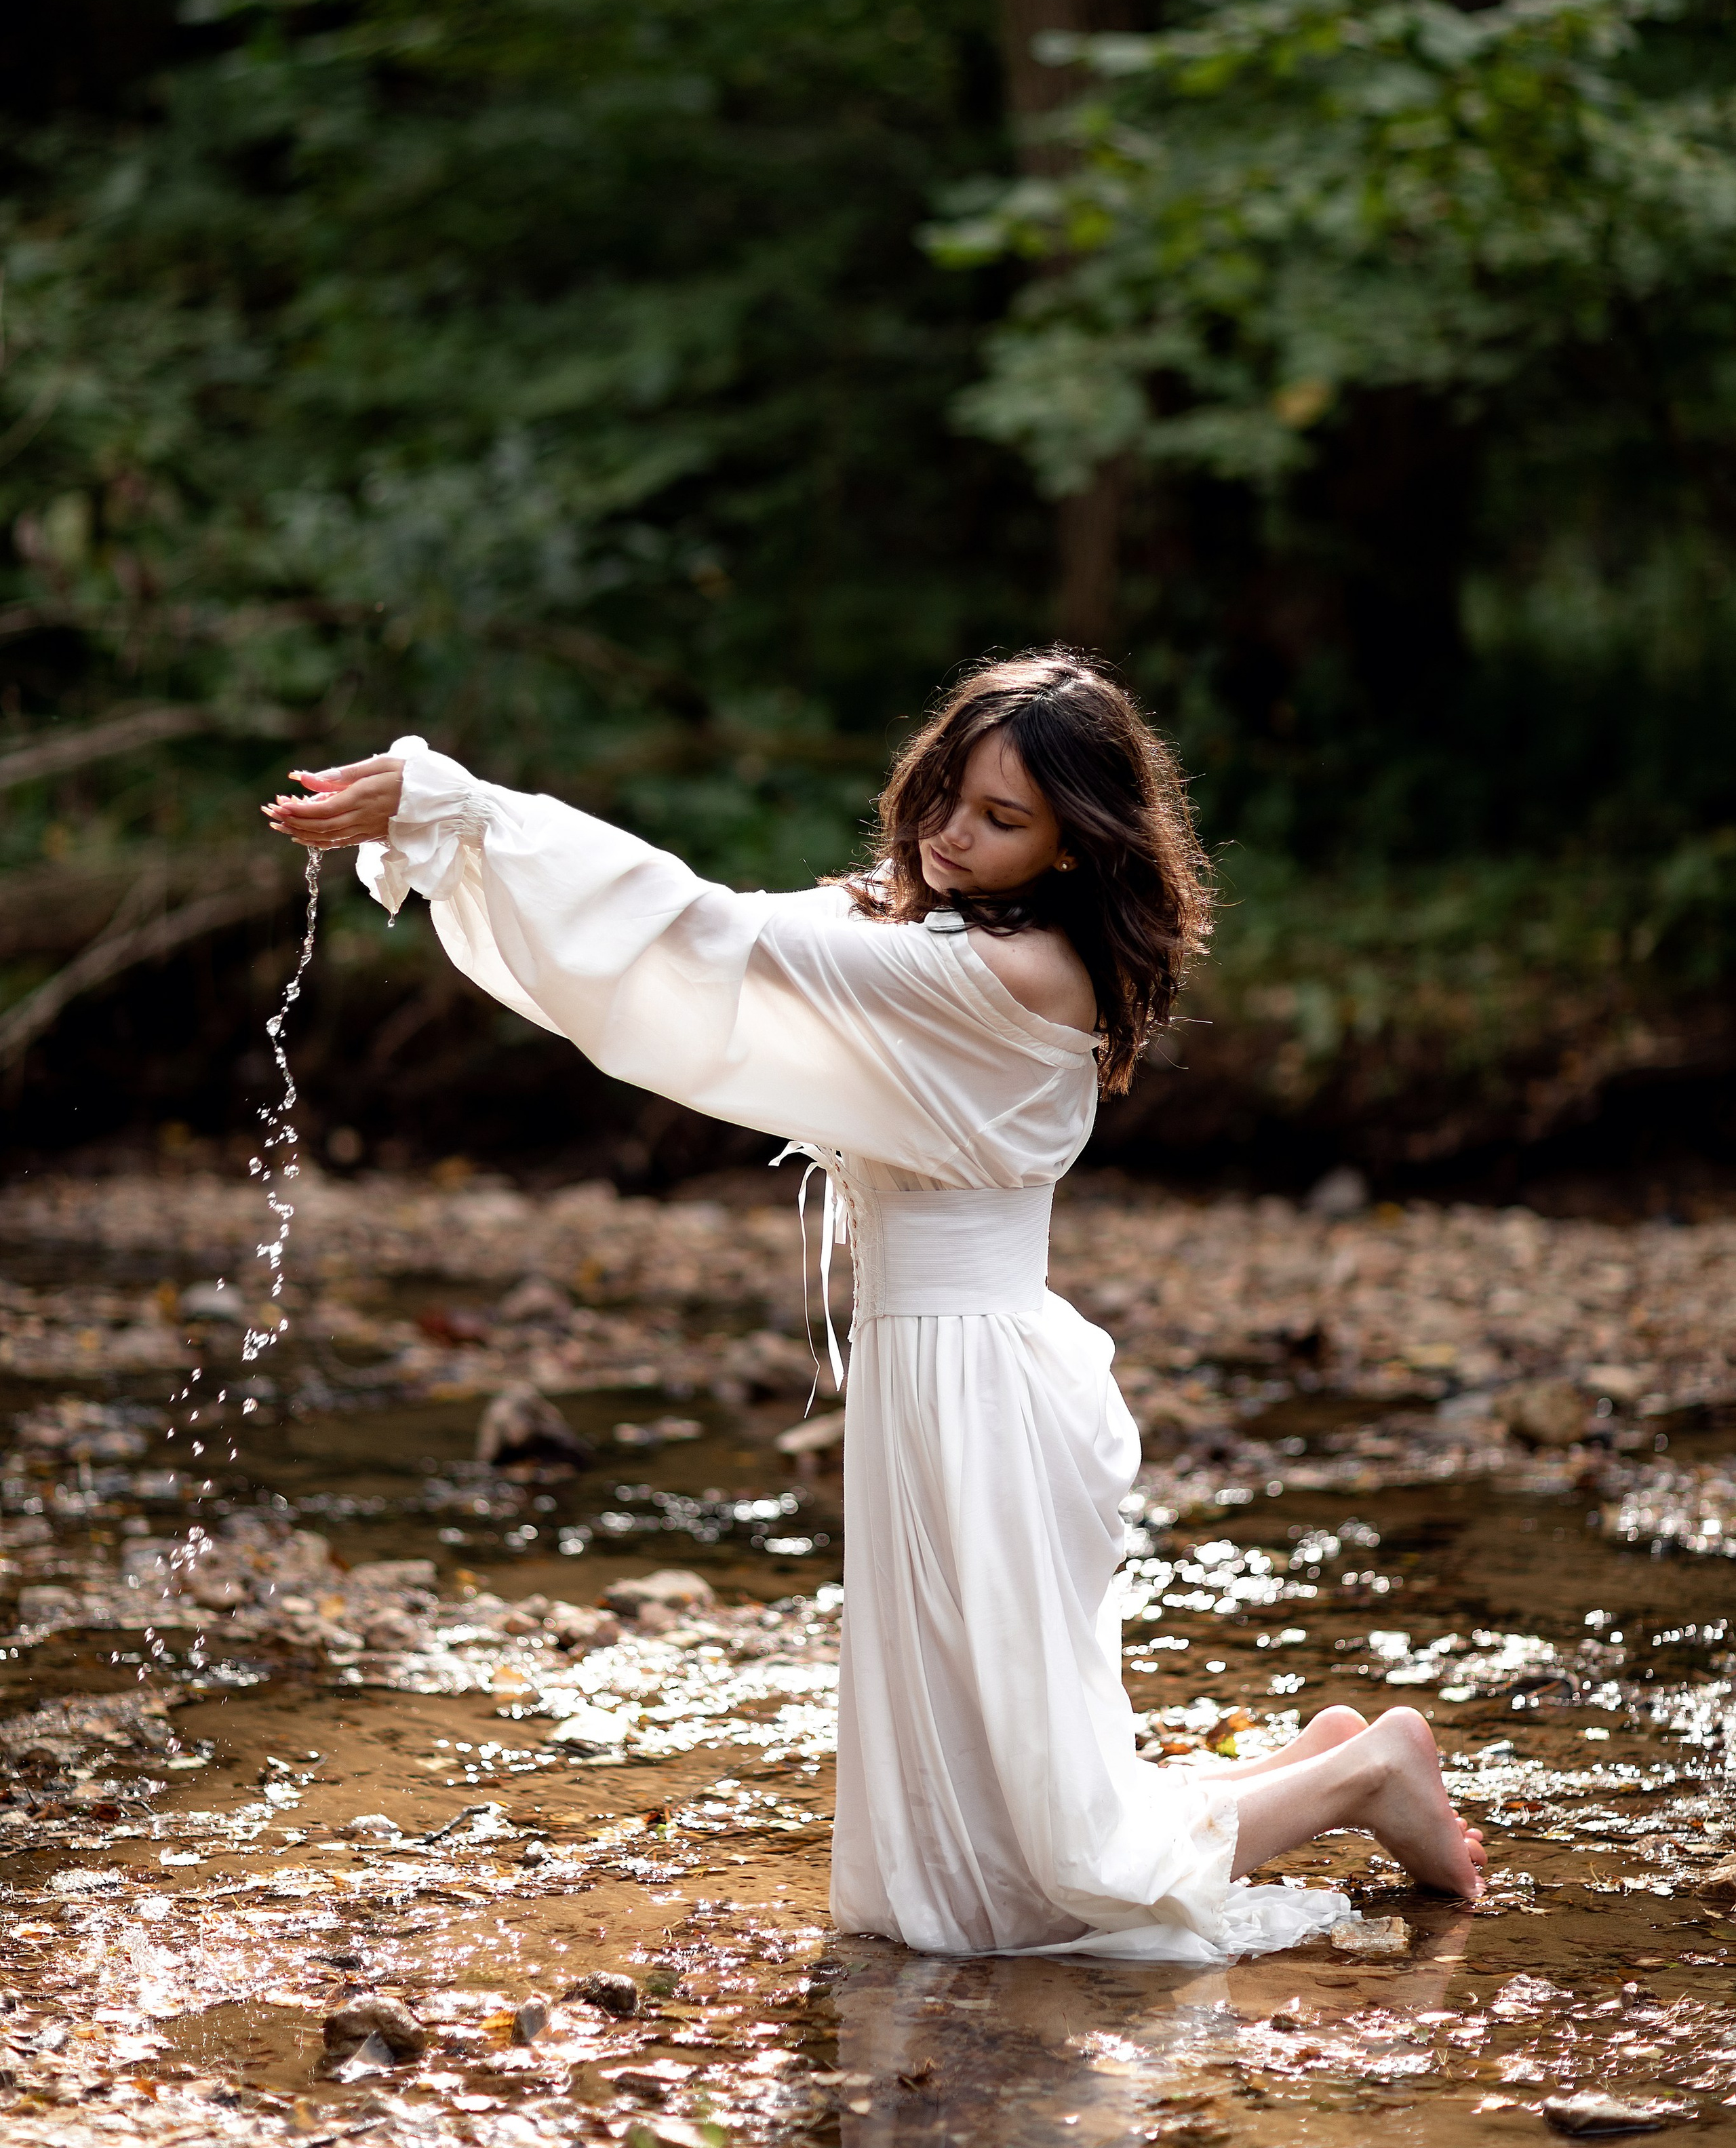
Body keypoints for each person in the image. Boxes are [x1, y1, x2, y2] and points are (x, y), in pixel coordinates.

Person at [264, 648, 1483, 1960]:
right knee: (982, 1806)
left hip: (977, 1384)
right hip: (934, 1369)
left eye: (1002, 819)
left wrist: (463, 809)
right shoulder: (956, 938)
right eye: (948, 796)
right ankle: (1321, 1766)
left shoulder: (1003, 977)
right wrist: (463, 820)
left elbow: (711, 932)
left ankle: (1367, 1778)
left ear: (1079, 848)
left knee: (1028, 1887)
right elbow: (759, 937)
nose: (953, 837)